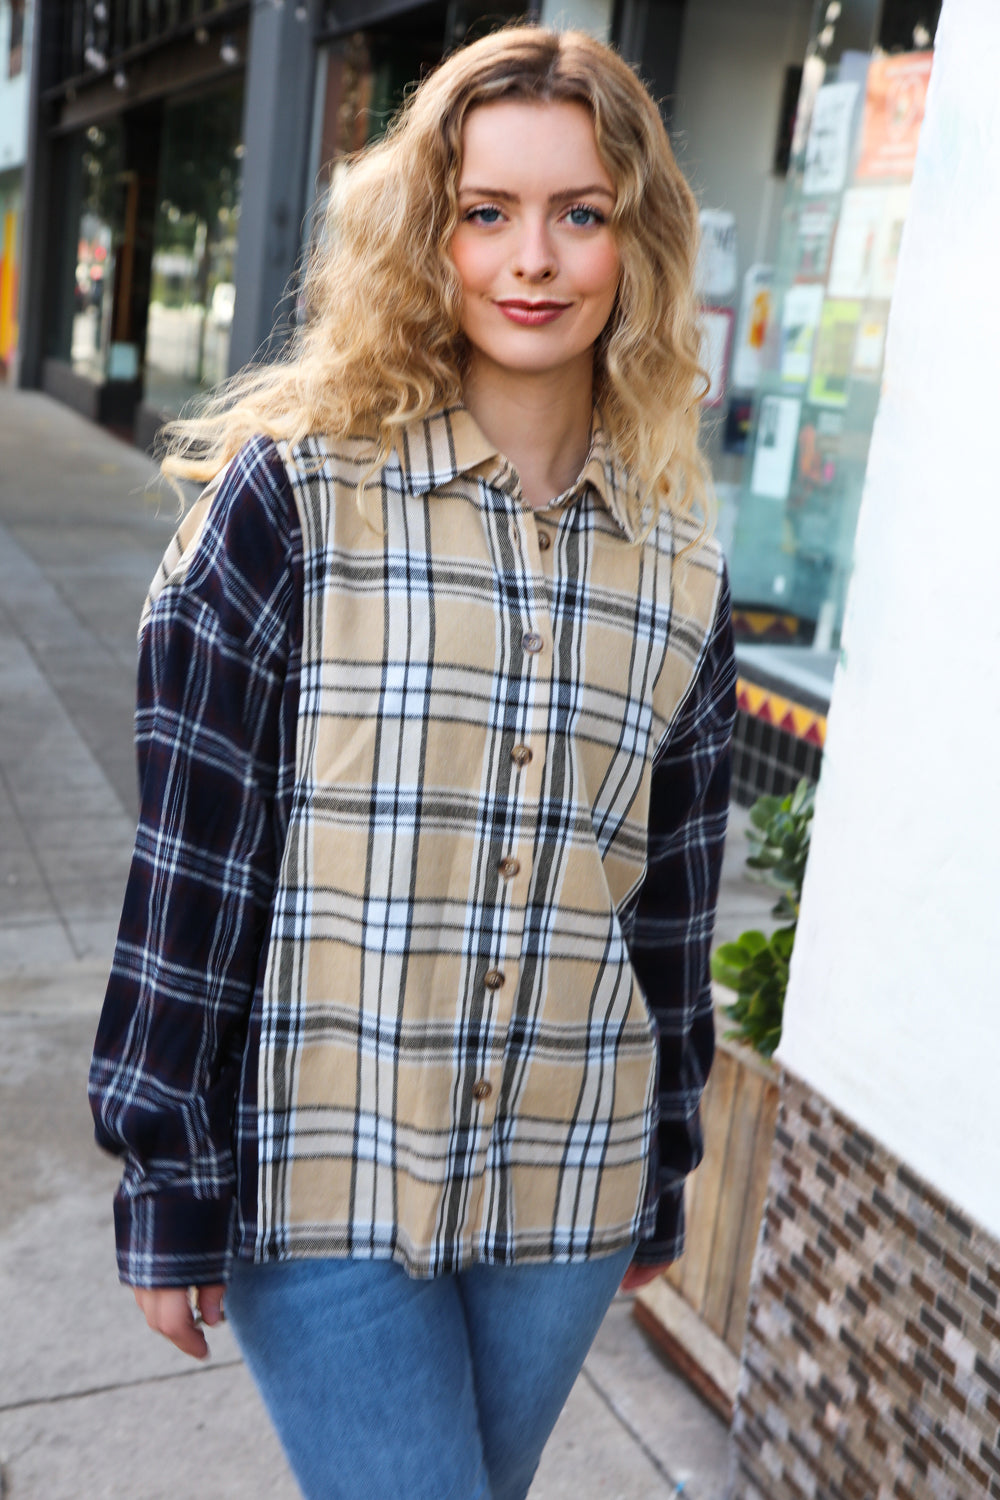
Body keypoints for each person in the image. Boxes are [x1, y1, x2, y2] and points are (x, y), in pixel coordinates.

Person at [89, 23, 736, 1500]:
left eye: (581, 213)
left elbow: (669, 918)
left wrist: (661, 1165)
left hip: (567, 1181)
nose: (533, 259)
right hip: (323, 1172)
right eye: (486, 211)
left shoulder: (683, 570)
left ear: (636, 245)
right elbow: (190, 872)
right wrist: (167, 1173)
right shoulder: (288, 505)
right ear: (426, 235)